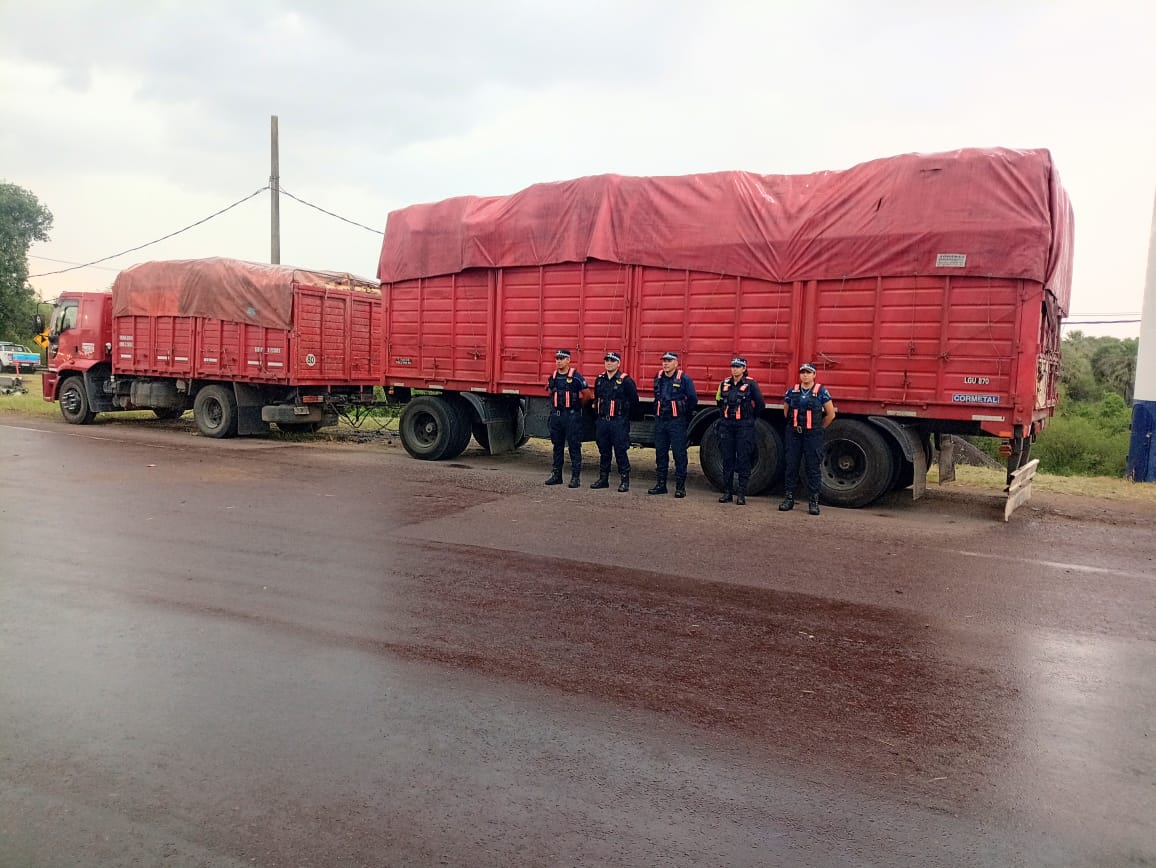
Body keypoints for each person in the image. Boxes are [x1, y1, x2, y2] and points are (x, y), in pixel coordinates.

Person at [779, 362, 835, 515]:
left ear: (814, 375)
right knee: (791, 466)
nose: (805, 375)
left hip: (813, 435)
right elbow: (786, 411)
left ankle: (813, 502)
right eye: (802, 372)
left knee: (813, 468)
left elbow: (830, 414)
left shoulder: (821, 391)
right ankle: (789, 498)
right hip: (794, 434)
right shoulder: (792, 391)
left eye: (808, 372)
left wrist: (818, 428)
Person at [715, 356, 765, 505]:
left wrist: (750, 419)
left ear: (744, 369)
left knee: (743, 459)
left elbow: (760, 404)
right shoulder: (724, 384)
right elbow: (719, 401)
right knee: (727, 459)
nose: (734, 369)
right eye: (733, 366)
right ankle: (727, 492)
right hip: (727, 426)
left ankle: (741, 493)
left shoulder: (751, 384)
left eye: (738, 367)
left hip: (744, 426)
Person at [649, 351, 698, 498]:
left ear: (676, 363)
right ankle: (661, 485)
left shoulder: (684, 379)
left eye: (669, 361)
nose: (665, 363)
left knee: (679, 454)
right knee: (660, 453)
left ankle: (680, 487)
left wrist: (682, 413)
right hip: (661, 421)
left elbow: (692, 400)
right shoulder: (658, 378)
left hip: (677, 422)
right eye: (664, 361)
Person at [591, 352, 639, 492]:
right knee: (604, 451)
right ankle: (603, 479)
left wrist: (624, 418)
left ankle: (624, 480)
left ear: (618, 363)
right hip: (603, 422)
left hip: (618, 422)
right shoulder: (600, 379)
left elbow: (634, 402)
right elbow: (597, 399)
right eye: (607, 360)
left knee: (620, 451)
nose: (609, 363)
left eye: (612, 361)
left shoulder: (626, 381)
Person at [544, 349, 588, 488]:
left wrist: (576, 407)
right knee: (557, 446)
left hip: (571, 417)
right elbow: (550, 392)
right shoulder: (554, 376)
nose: (558, 361)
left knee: (574, 446)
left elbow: (587, 395)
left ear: (568, 360)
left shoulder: (575, 376)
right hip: (557, 417)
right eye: (557, 358)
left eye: (562, 358)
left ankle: (575, 477)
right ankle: (557, 475)